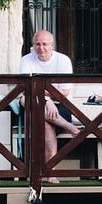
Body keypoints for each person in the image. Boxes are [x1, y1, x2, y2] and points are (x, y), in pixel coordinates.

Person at [19, 29, 81, 183]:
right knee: (26, 100)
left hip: (61, 106)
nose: (41, 48)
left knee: (46, 123)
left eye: (44, 44)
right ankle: (69, 127)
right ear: (33, 45)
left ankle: (50, 171)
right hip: (34, 104)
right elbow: (27, 89)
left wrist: (45, 96)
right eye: (37, 44)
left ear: (52, 45)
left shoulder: (63, 60)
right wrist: (47, 100)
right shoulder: (26, 60)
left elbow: (65, 92)